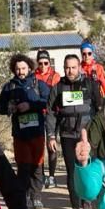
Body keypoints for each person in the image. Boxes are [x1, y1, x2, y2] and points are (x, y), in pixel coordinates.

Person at [47, 53, 104, 209]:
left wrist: (99, 134)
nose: (70, 71)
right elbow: (50, 112)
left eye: (73, 67)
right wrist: (51, 135)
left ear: (79, 67)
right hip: (67, 135)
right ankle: (75, 208)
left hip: (87, 136)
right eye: (67, 68)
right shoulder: (57, 88)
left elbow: (100, 110)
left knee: (86, 169)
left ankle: (87, 202)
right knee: (72, 172)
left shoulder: (91, 85)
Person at [0, 53, 50, 209]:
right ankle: (24, 196)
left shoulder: (38, 84)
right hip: (20, 134)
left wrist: (30, 106)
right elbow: (0, 108)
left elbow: (48, 101)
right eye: (18, 69)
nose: (20, 71)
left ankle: (36, 196)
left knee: (37, 166)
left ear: (29, 68)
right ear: (14, 69)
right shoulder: (9, 87)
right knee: (23, 167)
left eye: (23, 68)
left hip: (37, 132)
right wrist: (10, 108)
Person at [34, 50, 62, 190]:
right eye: (40, 63)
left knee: (52, 145)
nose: (43, 66)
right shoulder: (33, 76)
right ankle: (42, 175)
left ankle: (51, 176)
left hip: (52, 114)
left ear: (49, 63)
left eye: (46, 63)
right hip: (38, 114)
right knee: (39, 146)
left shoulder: (55, 76)